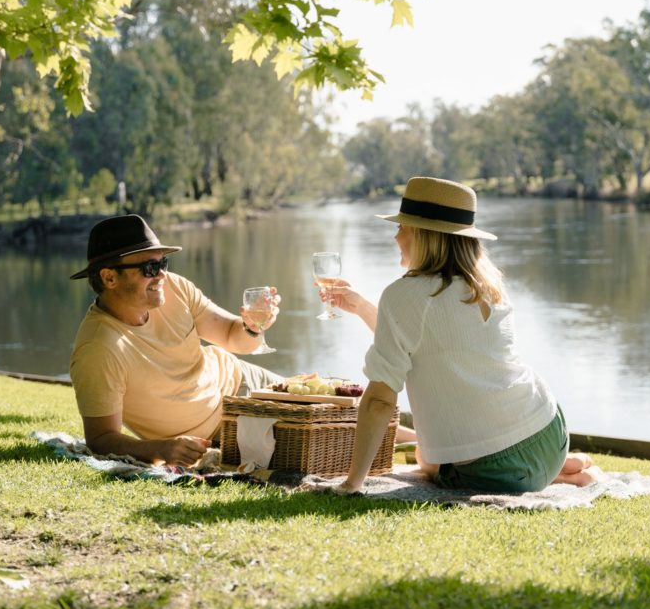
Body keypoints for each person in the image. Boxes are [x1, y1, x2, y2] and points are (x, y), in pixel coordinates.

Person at [321, 177, 598, 493]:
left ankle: (546, 473)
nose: (396, 235)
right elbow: (425, 343)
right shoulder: (489, 286)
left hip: (497, 465)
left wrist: (351, 484)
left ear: (424, 235)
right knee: (440, 452)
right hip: (548, 427)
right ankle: (554, 468)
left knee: (427, 458)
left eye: (402, 226)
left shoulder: (404, 295)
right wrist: (360, 307)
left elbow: (379, 401)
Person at [68, 214, 283, 466]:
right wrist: (163, 449)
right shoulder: (98, 349)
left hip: (243, 379)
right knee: (320, 440)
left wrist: (253, 325)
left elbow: (231, 337)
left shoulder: (175, 288)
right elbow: (101, 438)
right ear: (109, 278)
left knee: (329, 405)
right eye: (150, 268)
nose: (161, 275)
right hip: (220, 432)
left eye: (163, 264)